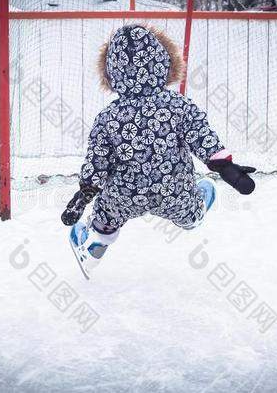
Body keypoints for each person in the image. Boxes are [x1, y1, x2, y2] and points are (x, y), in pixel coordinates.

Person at [61, 24, 255, 279]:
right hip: (172, 189)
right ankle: (190, 215)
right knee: (189, 201)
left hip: (125, 195)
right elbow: (201, 136)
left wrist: (85, 193)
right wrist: (225, 167)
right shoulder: (179, 106)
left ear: (112, 72)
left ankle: (97, 241)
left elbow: (97, 162)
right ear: (163, 61)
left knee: (107, 211)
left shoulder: (107, 117)